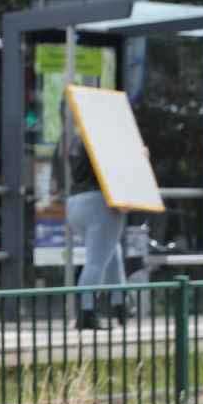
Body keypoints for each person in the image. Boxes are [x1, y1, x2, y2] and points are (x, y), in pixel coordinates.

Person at [66, 134, 126, 330]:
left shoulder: (77, 137)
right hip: (100, 201)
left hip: (75, 201)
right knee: (96, 262)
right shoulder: (103, 133)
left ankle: (121, 304)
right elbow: (117, 167)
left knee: (110, 251)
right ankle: (86, 313)